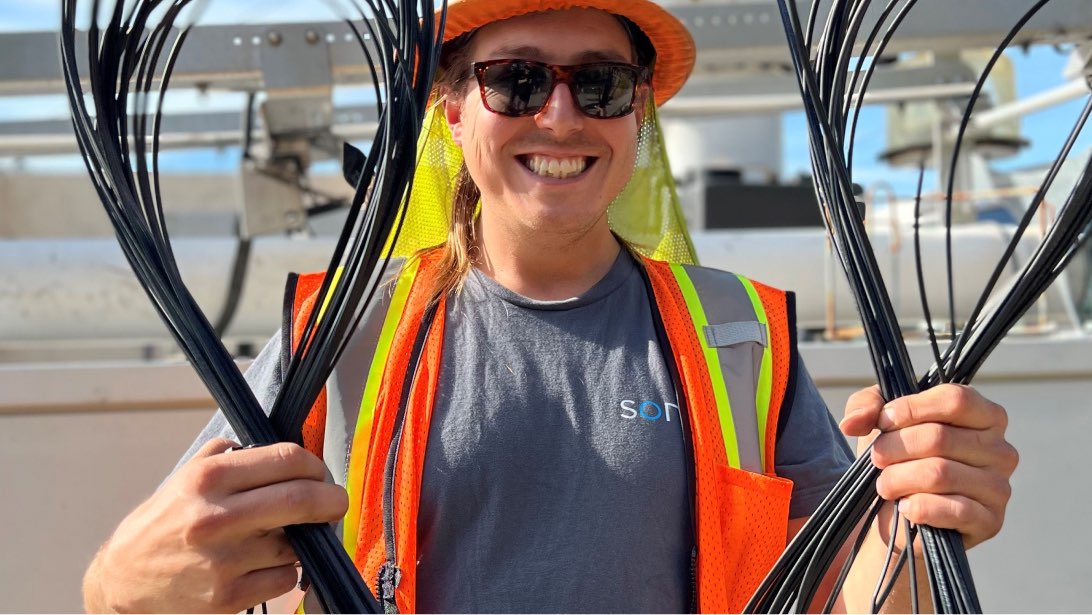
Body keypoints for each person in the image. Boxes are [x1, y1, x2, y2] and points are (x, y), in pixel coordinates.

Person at [81, 1, 1018, 612]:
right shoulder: (342, 331)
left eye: (600, 84)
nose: (560, 118)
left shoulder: (738, 330)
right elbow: (156, 570)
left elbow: (849, 598)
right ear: (451, 109)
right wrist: (121, 587)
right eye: (516, 80)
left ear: (638, 116)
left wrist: (913, 510)